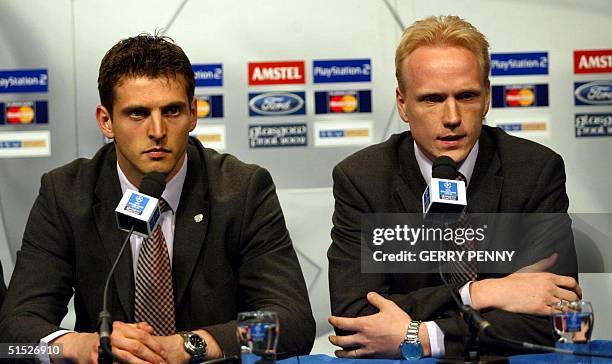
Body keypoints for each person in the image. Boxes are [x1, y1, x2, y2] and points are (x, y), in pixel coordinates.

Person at [0, 34, 315, 363]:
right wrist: (78, 346)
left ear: (193, 114)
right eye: (137, 114)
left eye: (172, 111)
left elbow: (292, 324)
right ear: (106, 121)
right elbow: (11, 337)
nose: (157, 130)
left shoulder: (242, 189)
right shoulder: (65, 193)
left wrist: (192, 344)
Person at [327, 15, 581, 359]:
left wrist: (425, 335)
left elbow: (560, 316)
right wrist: (480, 294)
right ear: (403, 104)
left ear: (487, 97)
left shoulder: (535, 171)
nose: (451, 117)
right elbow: (356, 318)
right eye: (431, 99)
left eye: (466, 96)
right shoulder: (363, 179)